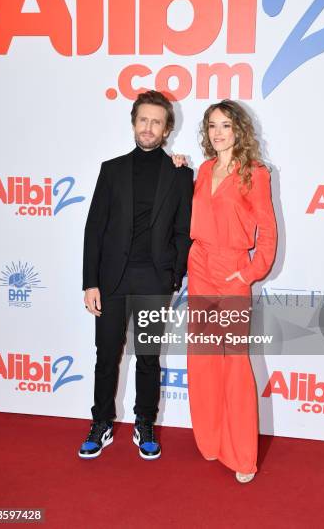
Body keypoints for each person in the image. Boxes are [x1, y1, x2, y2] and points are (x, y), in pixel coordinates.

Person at [79, 90, 194, 460]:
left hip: (154, 281)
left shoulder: (179, 174)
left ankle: (145, 422)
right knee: (106, 355)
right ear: (133, 123)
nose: (148, 127)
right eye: (142, 120)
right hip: (111, 280)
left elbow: (182, 231)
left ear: (166, 130)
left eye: (156, 122)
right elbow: (94, 228)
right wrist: (90, 282)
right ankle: (102, 423)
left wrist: (173, 279)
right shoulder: (110, 170)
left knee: (147, 356)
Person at [175, 99, 277, 483]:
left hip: (232, 269)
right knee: (202, 359)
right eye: (213, 126)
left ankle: (242, 456)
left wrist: (249, 272)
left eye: (226, 126)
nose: (218, 133)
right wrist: (176, 169)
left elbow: (267, 232)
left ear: (239, 131)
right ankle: (211, 441)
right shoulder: (202, 169)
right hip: (199, 265)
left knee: (234, 362)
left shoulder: (256, 172)